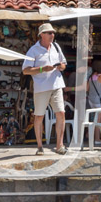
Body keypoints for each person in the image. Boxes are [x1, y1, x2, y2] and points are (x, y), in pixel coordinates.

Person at [22, 23, 68, 155]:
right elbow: (25, 70)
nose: (52, 35)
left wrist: (61, 66)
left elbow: (64, 64)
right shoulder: (33, 50)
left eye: (53, 32)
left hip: (57, 85)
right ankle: (40, 147)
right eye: (49, 33)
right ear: (41, 34)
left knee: (61, 113)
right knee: (39, 116)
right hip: (42, 87)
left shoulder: (56, 47)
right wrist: (42, 69)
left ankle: (60, 145)